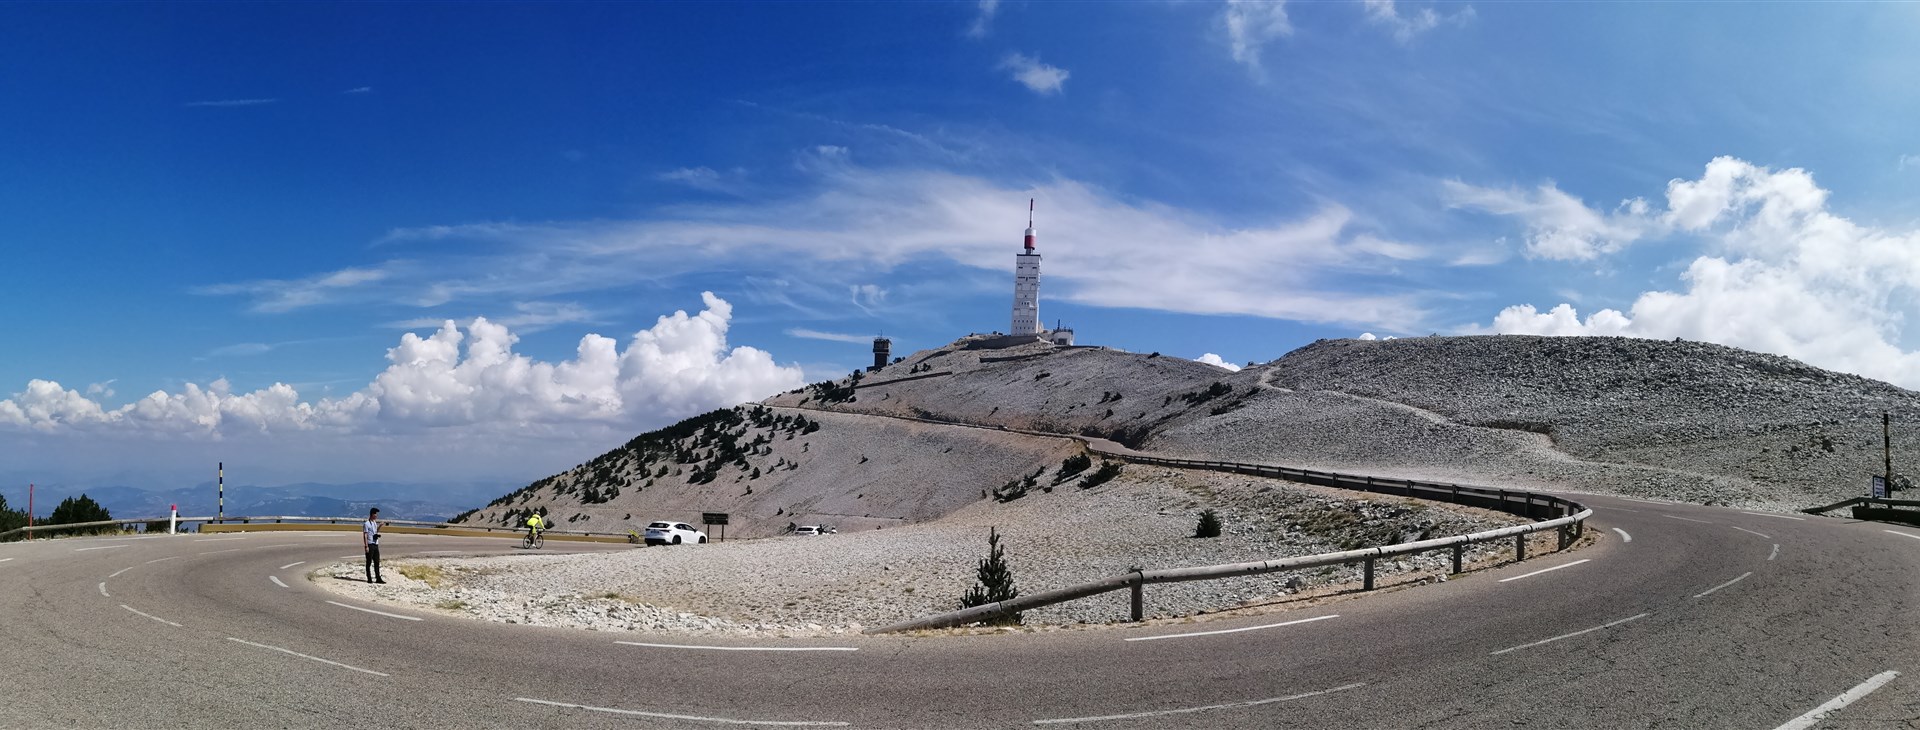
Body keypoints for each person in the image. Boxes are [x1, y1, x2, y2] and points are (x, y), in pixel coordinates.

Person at [362, 507, 385, 584]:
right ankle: (369, 578)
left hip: (375, 544)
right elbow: (365, 535)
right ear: (372, 514)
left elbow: (375, 532)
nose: (376, 515)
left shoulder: (374, 523)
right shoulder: (366, 524)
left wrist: (380, 526)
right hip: (370, 544)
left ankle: (378, 578)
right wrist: (366, 546)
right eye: (375, 514)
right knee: (368, 562)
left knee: (376, 562)